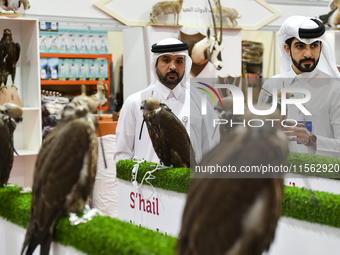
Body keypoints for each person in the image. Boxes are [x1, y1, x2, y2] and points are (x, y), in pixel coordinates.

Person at [114, 38, 219, 164]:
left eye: (179, 61)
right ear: (155, 64)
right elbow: (122, 155)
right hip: (146, 183)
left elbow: (210, 152)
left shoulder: (199, 102)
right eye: (166, 60)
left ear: (185, 65)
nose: (173, 66)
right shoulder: (135, 103)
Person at [258, 15, 340, 157]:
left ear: (321, 47)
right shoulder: (270, 86)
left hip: (321, 176)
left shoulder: (334, 89)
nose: (308, 53)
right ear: (287, 49)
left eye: (314, 45)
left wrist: (312, 140)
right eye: (300, 46)